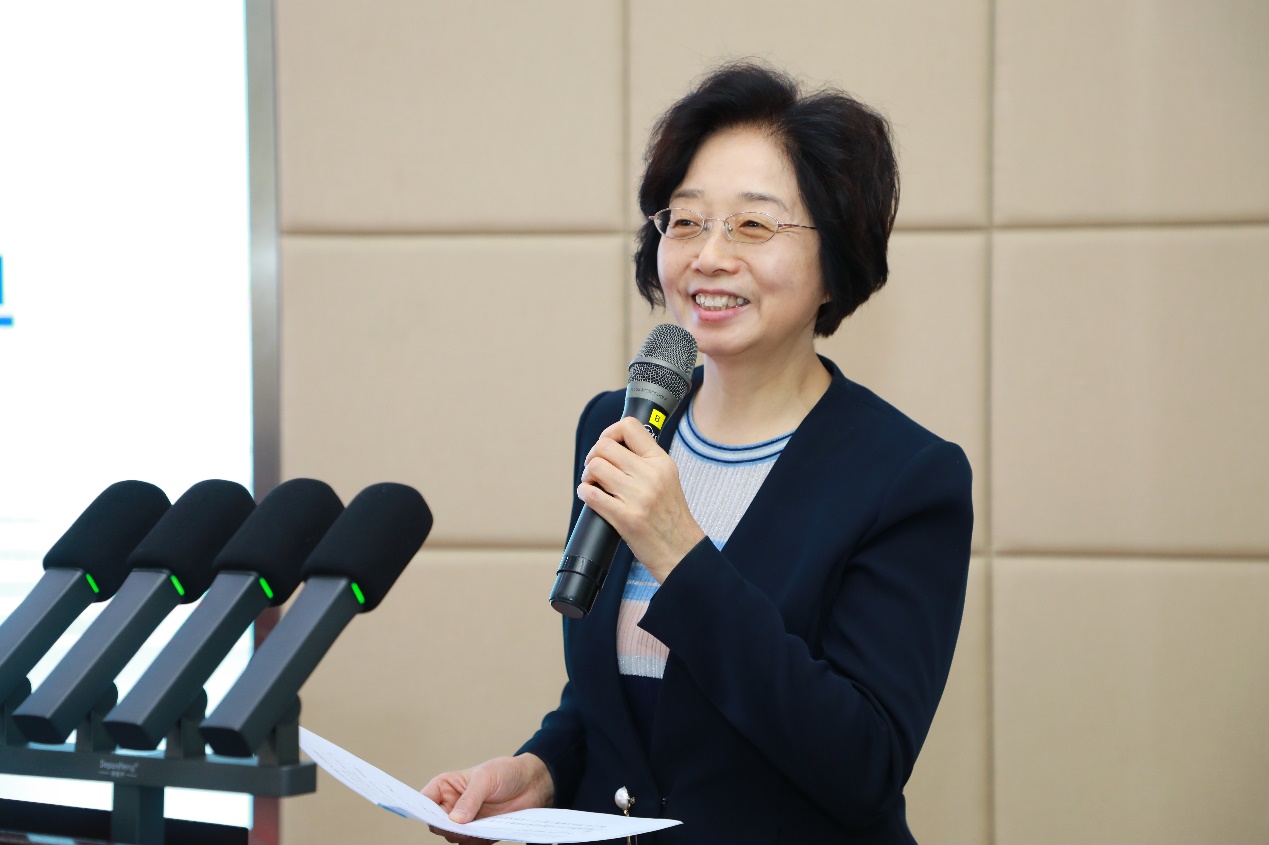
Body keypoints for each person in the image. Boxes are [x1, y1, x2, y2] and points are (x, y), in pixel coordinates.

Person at [423, 62, 973, 845]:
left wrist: (679, 549)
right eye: (684, 221)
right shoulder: (618, 424)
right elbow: (618, 694)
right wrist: (543, 767)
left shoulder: (906, 477)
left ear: (835, 262)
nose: (708, 255)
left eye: (752, 225)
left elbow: (862, 763)